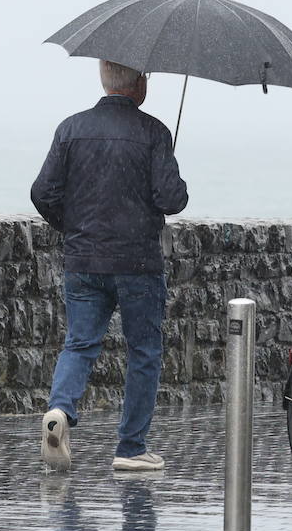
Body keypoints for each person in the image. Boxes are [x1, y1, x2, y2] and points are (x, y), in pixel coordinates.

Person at [30, 60, 188, 472]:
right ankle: (131, 447)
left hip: (83, 259)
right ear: (139, 83)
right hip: (137, 263)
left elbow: (43, 192)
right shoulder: (153, 132)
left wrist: (74, 228)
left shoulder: (71, 129)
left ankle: (60, 411)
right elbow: (172, 199)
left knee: (80, 343)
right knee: (144, 351)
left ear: (104, 78)